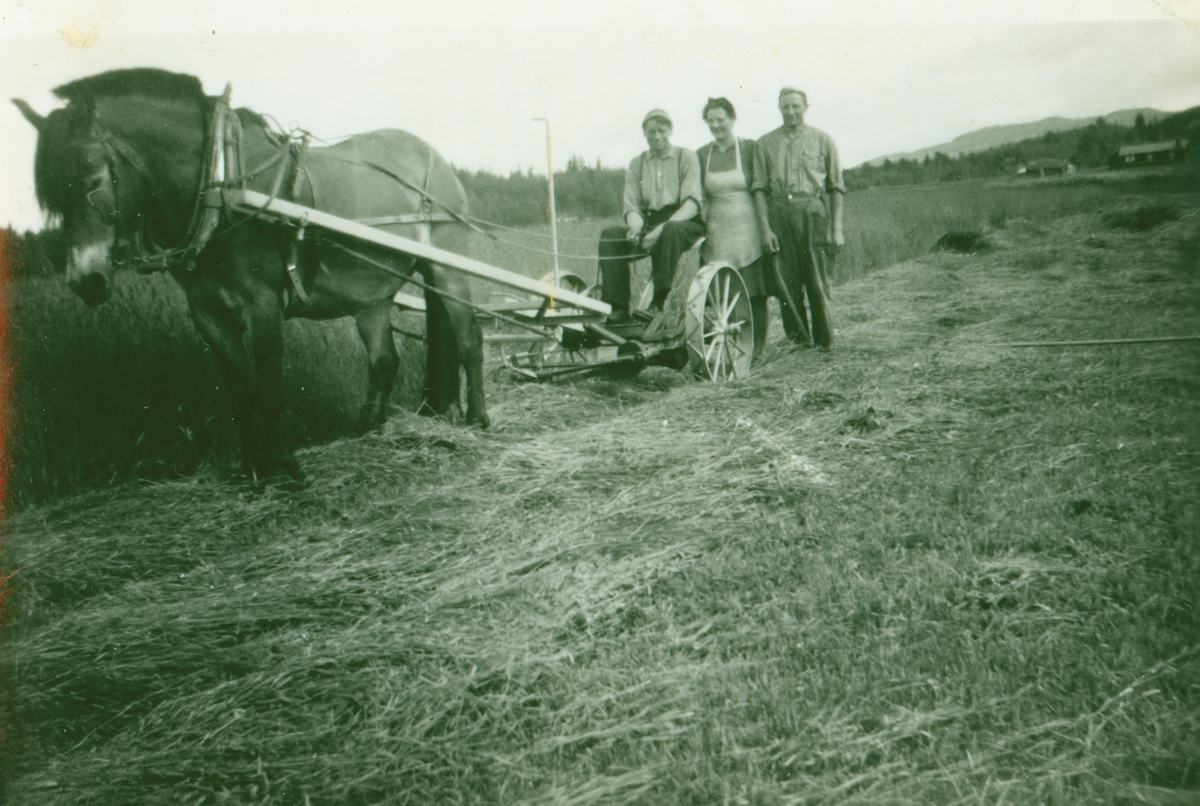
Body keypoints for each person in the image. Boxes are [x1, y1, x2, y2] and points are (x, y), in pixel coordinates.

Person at [752, 87, 845, 349]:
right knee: (787, 285)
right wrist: (765, 229)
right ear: (779, 108)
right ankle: (799, 346)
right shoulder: (765, 143)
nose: (791, 111)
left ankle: (825, 345)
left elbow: (836, 187)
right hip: (779, 214)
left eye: (795, 106)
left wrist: (837, 229)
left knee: (818, 281)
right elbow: (759, 189)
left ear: (805, 106)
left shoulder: (822, 140)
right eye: (785, 106)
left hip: (813, 213)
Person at [598, 108, 704, 322]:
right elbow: (631, 204)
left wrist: (660, 230)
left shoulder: (686, 157)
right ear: (644, 133)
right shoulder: (637, 164)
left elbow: (692, 203)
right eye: (651, 131)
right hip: (648, 220)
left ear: (670, 131)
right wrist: (635, 226)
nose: (657, 136)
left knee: (670, 230)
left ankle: (657, 302)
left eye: (661, 131)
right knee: (610, 235)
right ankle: (618, 309)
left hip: (683, 221)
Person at [695, 97, 769, 363]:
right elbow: (698, 197)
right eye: (711, 121)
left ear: (732, 119)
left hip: (747, 228)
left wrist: (764, 229)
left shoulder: (749, 148)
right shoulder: (702, 154)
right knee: (720, 293)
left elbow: (761, 187)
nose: (716, 125)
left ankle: (757, 350)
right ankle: (731, 348)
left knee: (754, 293)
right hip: (717, 230)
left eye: (721, 120)